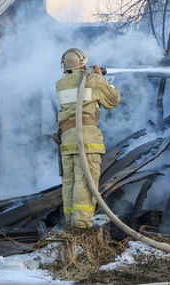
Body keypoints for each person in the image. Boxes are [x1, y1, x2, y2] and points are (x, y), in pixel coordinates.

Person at [56, 48, 120, 229]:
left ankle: (70, 222)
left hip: (68, 140)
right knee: (85, 183)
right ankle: (81, 225)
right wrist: (101, 77)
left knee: (69, 183)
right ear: (83, 61)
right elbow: (113, 100)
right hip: (87, 140)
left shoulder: (60, 83)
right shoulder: (92, 80)